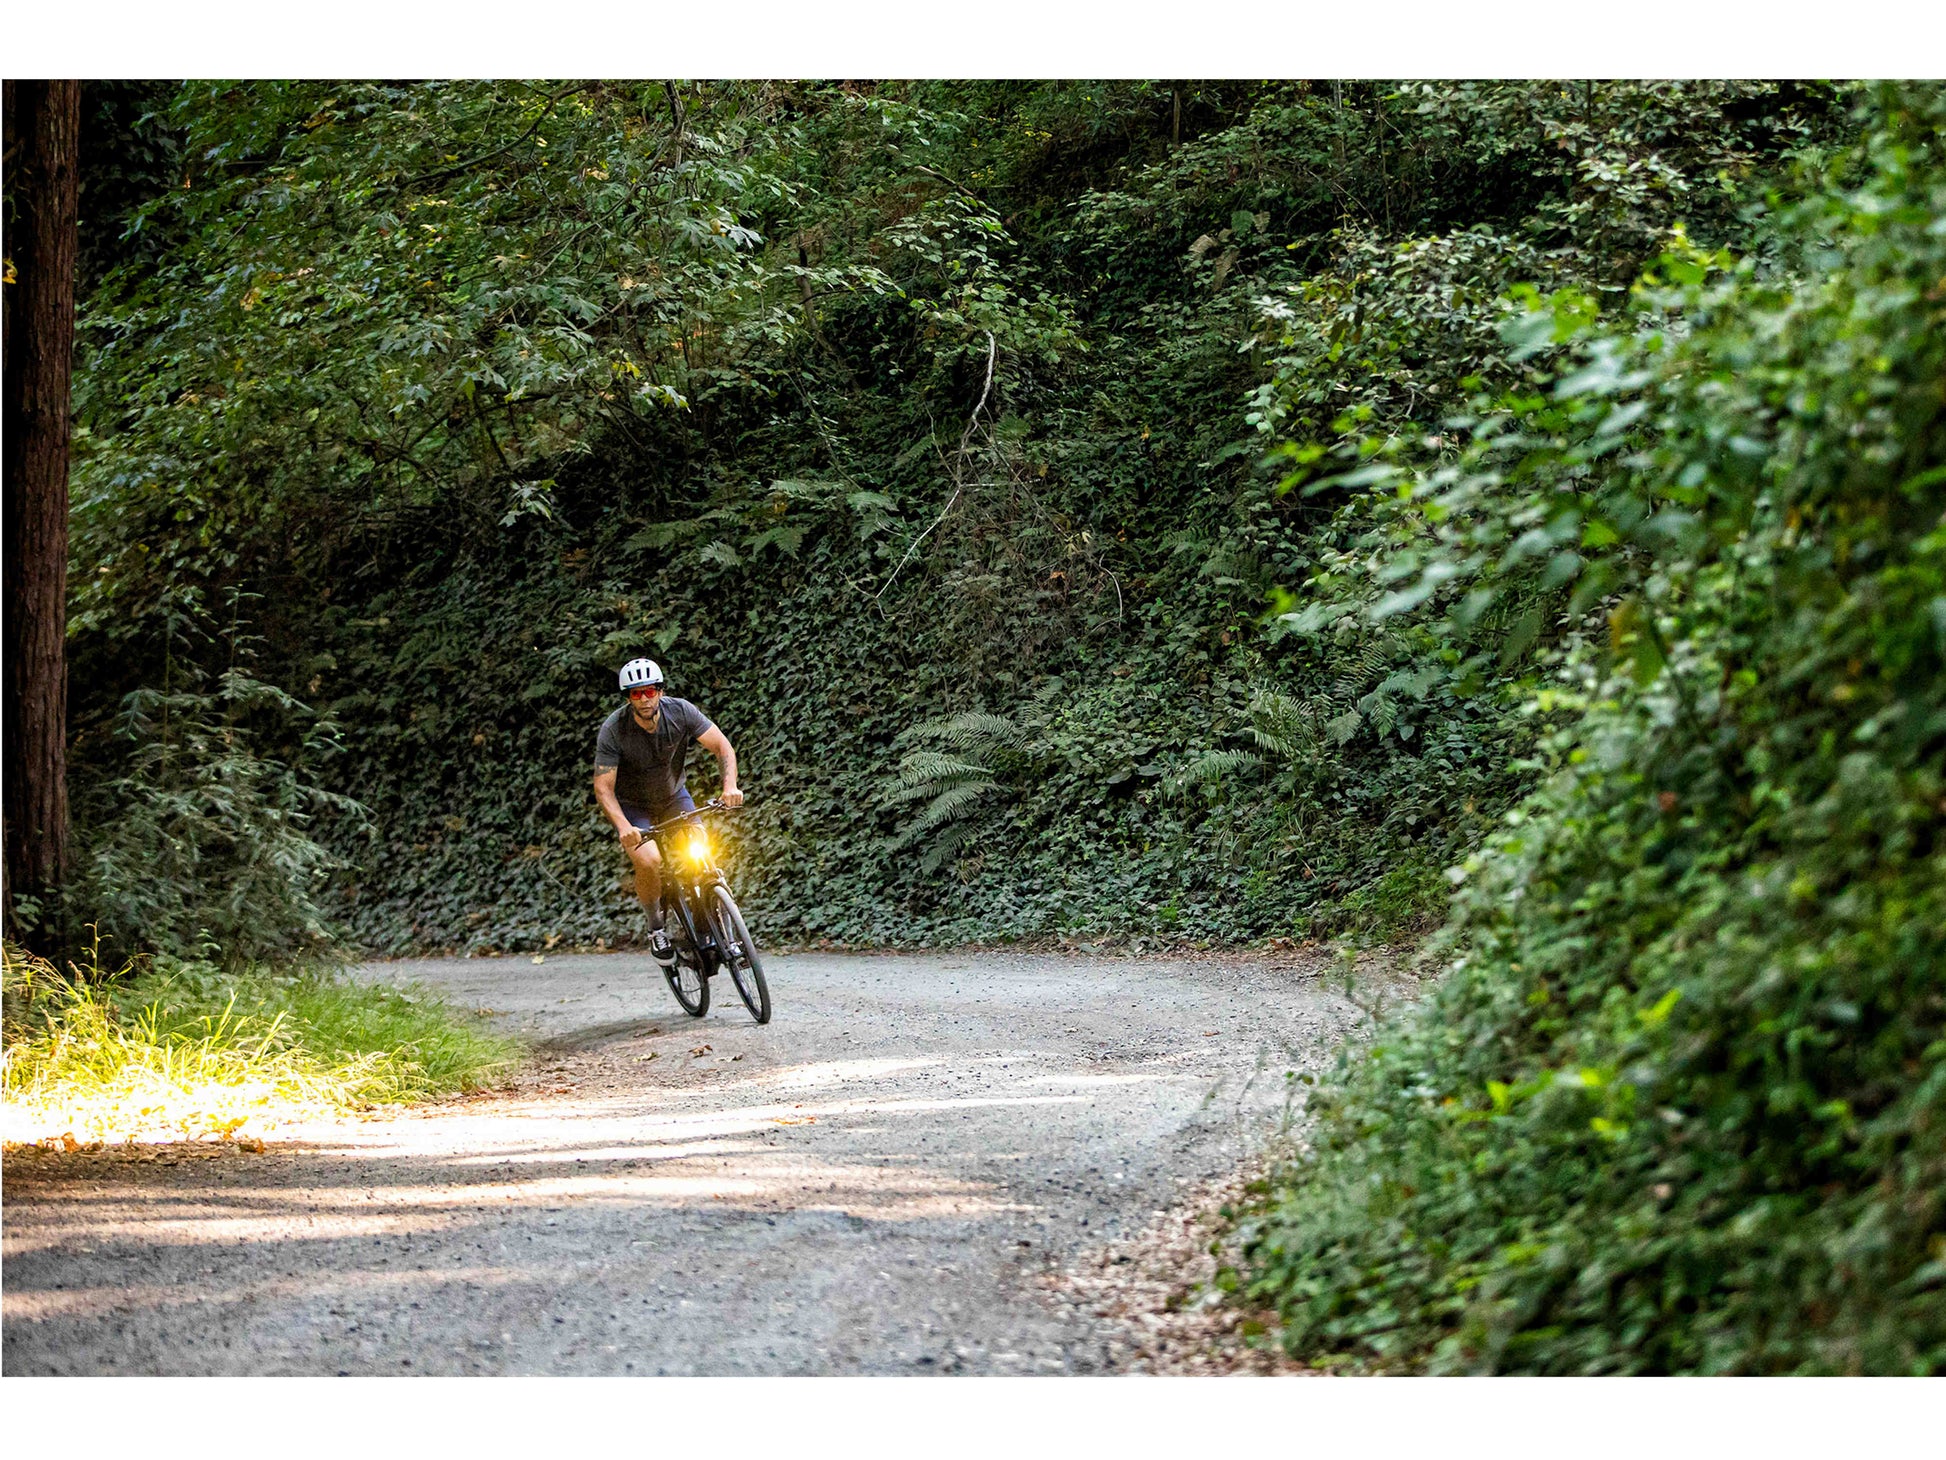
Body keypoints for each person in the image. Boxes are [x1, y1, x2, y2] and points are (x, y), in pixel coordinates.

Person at [592, 658, 742, 965]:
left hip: (675, 797)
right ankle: (656, 927)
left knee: (700, 852)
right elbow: (604, 788)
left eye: (650, 691)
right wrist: (623, 826)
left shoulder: (681, 711)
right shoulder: (614, 729)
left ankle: (722, 932)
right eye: (636, 694)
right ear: (627, 697)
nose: (644, 699)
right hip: (635, 808)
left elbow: (722, 747)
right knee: (649, 861)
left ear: (661, 691)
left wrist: (730, 787)